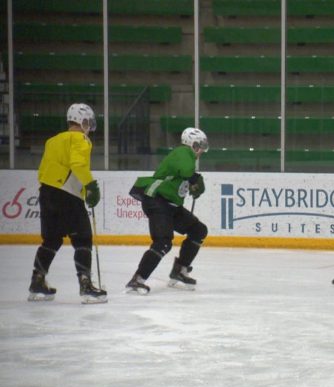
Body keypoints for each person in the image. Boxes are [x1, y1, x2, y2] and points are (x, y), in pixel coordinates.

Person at [28, 103, 107, 304]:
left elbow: (43, 171)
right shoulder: (81, 139)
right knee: (83, 239)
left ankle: (37, 283)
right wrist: (90, 186)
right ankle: (86, 286)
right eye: (88, 122)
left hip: (46, 193)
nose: (89, 127)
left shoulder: (52, 140)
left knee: (51, 240)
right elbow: (78, 164)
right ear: (83, 121)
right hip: (68, 194)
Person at [125, 128, 209, 294]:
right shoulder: (183, 151)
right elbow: (186, 171)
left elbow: (183, 176)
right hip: (157, 201)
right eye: (201, 146)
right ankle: (137, 280)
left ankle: (180, 270)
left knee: (198, 230)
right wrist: (195, 179)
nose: (202, 151)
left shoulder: (186, 157)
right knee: (163, 242)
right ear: (193, 144)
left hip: (170, 205)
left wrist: (194, 185)